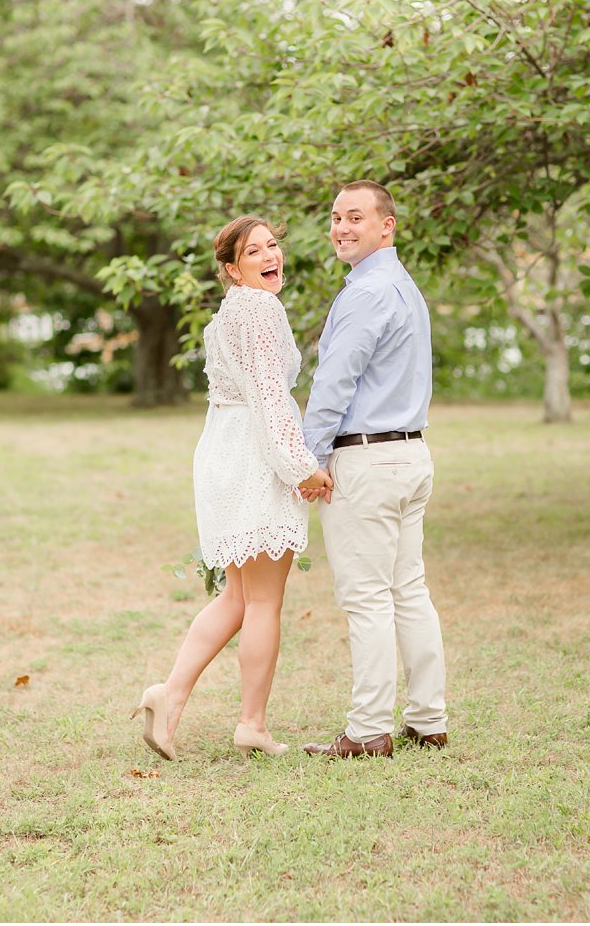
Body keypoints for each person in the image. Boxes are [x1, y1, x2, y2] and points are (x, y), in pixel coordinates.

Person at [132, 216, 333, 760]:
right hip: (255, 457)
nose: (271, 257)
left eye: (273, 246)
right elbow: (271, 397)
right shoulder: (261, 308)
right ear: (231, 268)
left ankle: (167, 696)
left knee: (239, 595)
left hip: (223, 451)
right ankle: (251, 724)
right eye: (254, 252)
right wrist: (302, 467)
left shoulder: (226, 316)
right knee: (264, 600)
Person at [299, 181, 447, 759]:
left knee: (368, 599)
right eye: (335, 217)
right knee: (408, 589)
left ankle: (366, 732)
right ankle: (428, 719)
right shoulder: (403, 287)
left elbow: (335, 381)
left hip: (368, 458)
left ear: (388, 225)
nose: (341, 227)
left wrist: (310, 460)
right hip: (410, 454)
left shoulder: (367, 292)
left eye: (355, 217)